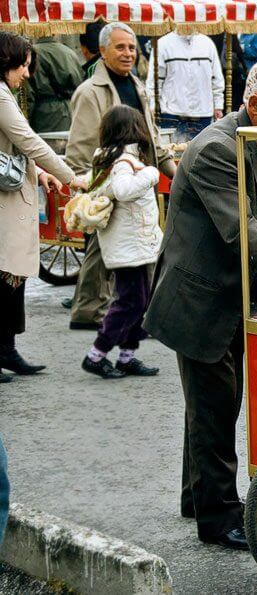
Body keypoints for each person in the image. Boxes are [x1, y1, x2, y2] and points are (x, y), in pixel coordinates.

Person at [143, 69, 257, 550]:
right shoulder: (216, 149)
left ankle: (196, 496)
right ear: (254, 106)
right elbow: (247, 234)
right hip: (200, 299)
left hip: (234, 297)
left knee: (212, 404)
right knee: (215, 407)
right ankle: (219, 516)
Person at [66, 23, 175, 331]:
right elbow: (79, 146)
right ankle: (93, 311)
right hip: (111, 182)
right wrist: (89, 188)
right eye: (120, 47)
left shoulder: (137, 85)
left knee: (135, 245)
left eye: (131, 47)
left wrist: (173, 172)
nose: (128, 53)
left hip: (137, 180)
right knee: (105, 248)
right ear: (102, 51)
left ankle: (129, 311)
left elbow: (150, 137)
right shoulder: (89, 92)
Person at [0, 32, 86, 383]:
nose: (27, 74)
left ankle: (7, 348)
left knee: (12, 275)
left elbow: (17, 146)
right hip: (6, 200)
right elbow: (28, 141)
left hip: (12, 192)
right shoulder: (1, 96)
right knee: (7, 273)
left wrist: (39, 176)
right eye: (23, 66)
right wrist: (68, 176)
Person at [80, 106, 163, 379]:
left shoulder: (110, 158)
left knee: (140, 300)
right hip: (129, 246)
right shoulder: (124, 162)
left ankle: (127, 356)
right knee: (131, 302)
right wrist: (151, 174)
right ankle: (97, 354)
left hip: (131, 245)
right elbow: (124, 190)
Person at [145, 31, 224, 143]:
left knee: (200, 157)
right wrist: (152, 106)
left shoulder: (207, 44)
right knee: (171, 156)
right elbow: (154, 82)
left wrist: (218, 105)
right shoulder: (162, 44)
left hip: (203, 114)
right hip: (170, 115)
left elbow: (216, 78)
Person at [27, 36, 83, 133]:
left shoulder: (32, 54)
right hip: (72, 112)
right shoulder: (70, 53)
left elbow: (28, 96)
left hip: (44, 116)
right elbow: (80, 83)